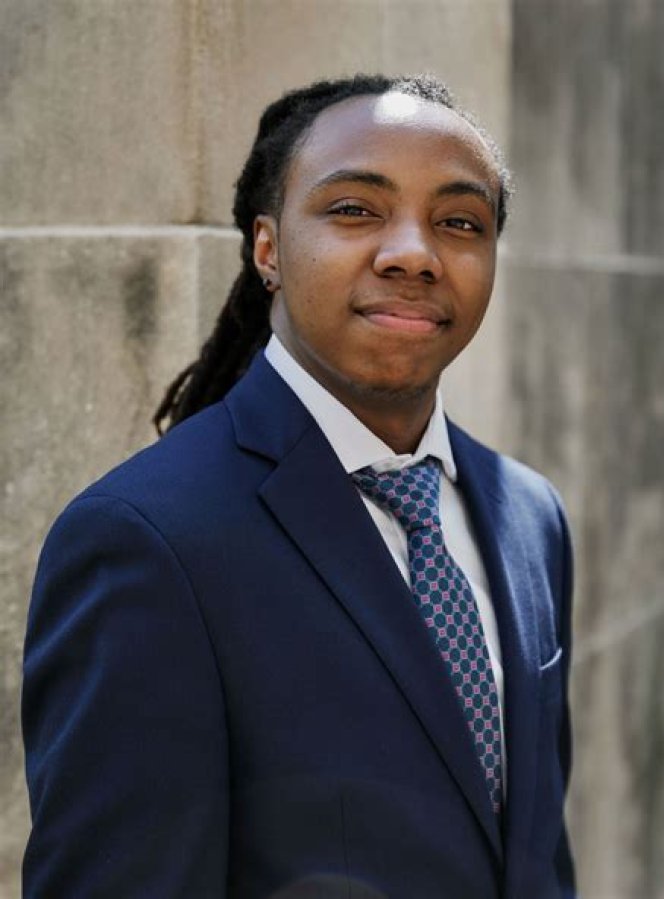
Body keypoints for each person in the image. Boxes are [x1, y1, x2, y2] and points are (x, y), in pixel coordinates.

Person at [22, 74, 576, 898]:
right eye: (355, 209)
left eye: (460, 222)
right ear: (267, 249)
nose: (415, 253)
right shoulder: (147, 541)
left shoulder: (532, 516)